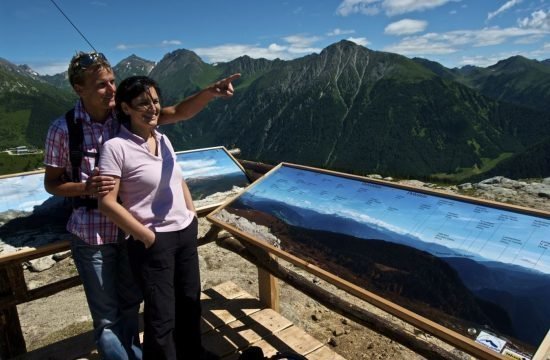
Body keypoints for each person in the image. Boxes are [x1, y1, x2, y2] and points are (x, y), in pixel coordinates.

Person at [43, 51, 239, 360]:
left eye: (111, 81)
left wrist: (209, 93)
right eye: (101, 85)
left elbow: (178, 112)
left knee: (135, 306)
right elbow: (51, 183)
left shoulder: (127, 117)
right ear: (79, 89)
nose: (110, 89)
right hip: (94, 232)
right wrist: (85, 188)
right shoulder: (63, 129)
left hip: (132, 231)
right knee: (108, 320)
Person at [97, 76, 211, 359]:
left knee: (189, 302)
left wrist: (191, 212)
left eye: (156, 101)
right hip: (153, 240)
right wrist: (146, 235)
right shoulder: (116, 148)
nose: (152, 108)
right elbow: (107, 203)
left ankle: (192, 354)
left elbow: (177, 178)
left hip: (184, 231)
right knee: (161, 315)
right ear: (125, 108)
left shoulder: (163, 138)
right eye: (142, 104)